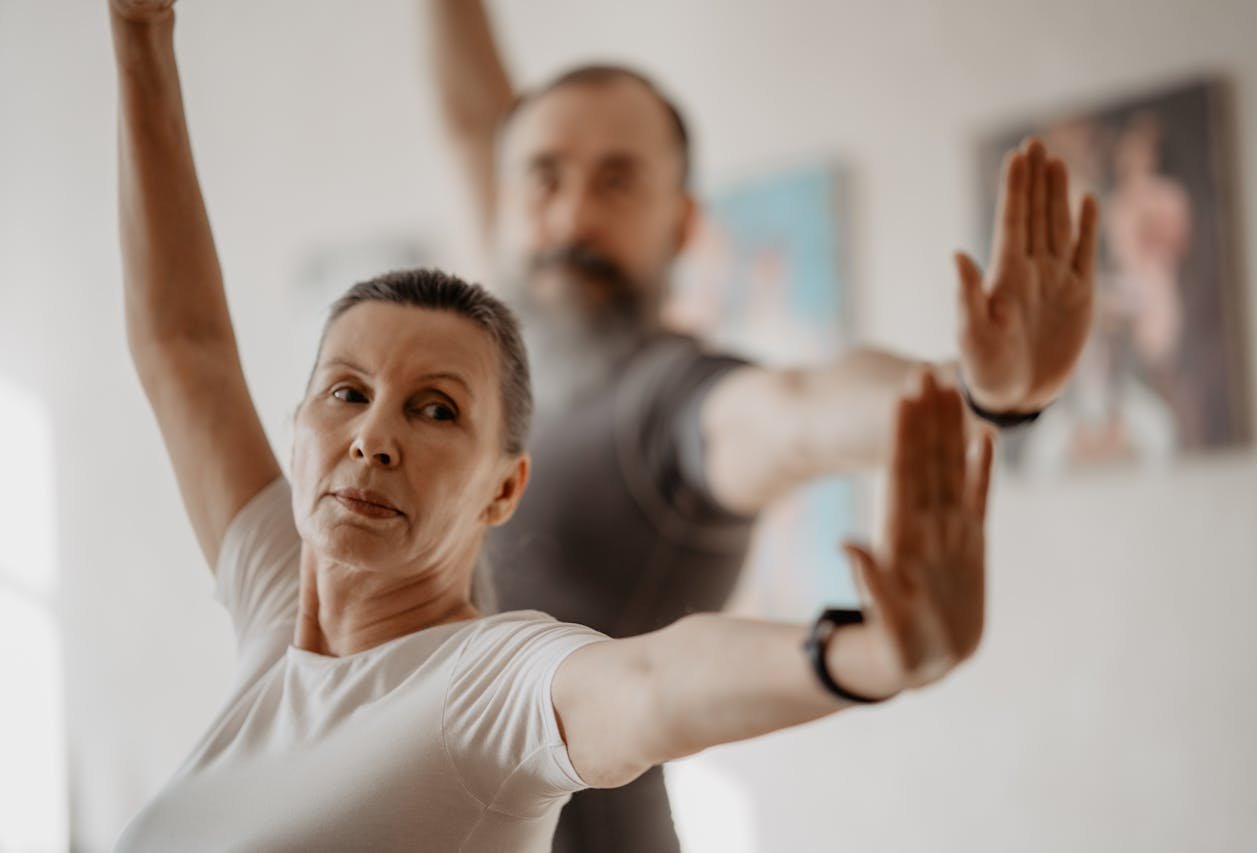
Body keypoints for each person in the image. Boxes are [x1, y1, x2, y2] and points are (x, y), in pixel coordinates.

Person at [110, 1, 996, 850]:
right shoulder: (279, 590)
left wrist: (863, 653)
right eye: (346, 392)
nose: (374, 436)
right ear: (294, 426)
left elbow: (651, 682)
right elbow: (182, 347)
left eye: (435, 411)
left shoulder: (486, 683)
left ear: (504, 486)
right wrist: (140, 30)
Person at [424, 3, 1099, 849]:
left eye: (618, 180)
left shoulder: (672, 399)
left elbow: (797, 412)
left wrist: (974, 396)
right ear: (505, 200)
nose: (571, 218)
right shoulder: (488, 366)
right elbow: (468, 122)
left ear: (684, 225)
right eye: (544, 177)